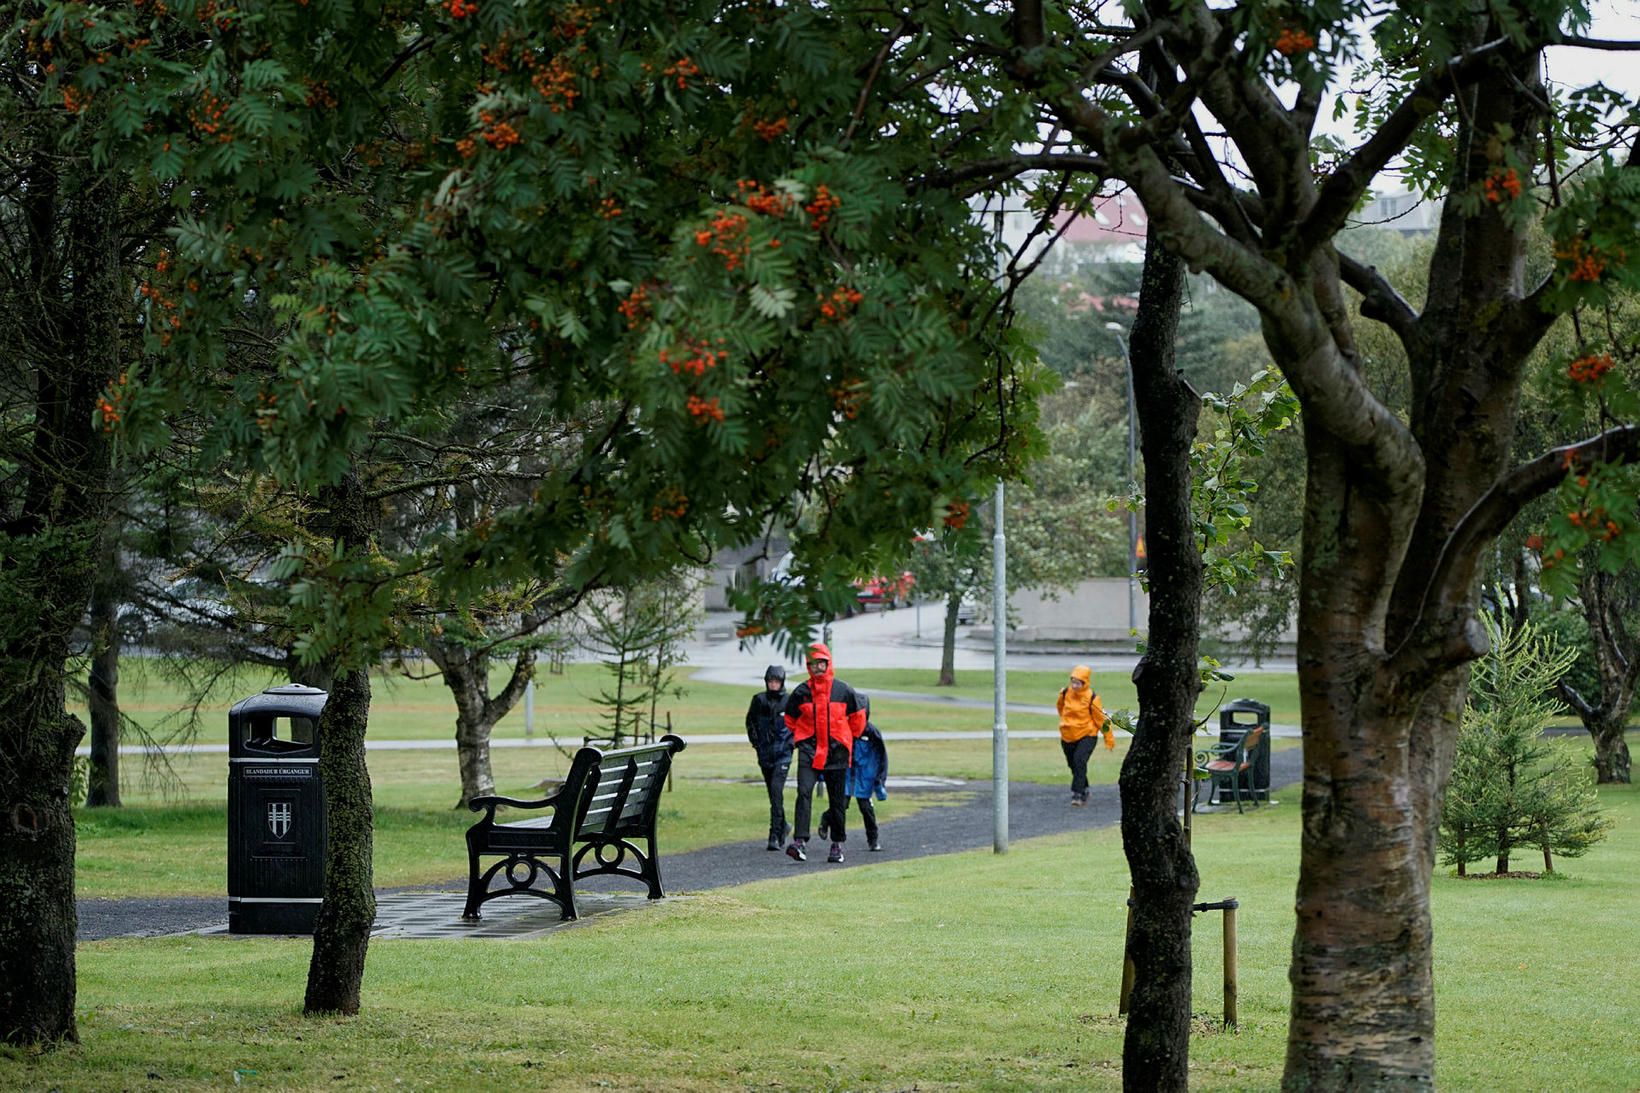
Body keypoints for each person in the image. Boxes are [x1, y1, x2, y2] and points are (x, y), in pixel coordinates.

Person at [782, 641, 866, 863]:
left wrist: (844, 737)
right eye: (813, 664)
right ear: (808, 666)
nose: (817, 667)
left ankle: (837, 844)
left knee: (837, 801)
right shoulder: (801, 692)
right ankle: (799, 842)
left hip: (837, 753)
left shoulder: (844, 690)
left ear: (828, 663)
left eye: (821, 663)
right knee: (804, 792)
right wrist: (804, 736)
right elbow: (790, 719)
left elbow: (858, 719)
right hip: (810, 751)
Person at [745, 665, 793, 850]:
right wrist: (757, 744)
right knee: (773, 796)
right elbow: (751, 723)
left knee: (776, 791)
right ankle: (784, 825)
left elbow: (796, 724)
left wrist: (791, 744)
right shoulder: (759, 700)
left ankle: (774, 834)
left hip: (783, 755)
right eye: (770, 681)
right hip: (765, 754)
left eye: (776, 681)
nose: (773, 685)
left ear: (781, 682)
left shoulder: (789, 701)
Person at [1057, 664, 1112, 806]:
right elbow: (1061, 708)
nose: (1074, 685)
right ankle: (1085, 787)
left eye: (1078, 683)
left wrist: (1108, 737)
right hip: (1068, 735)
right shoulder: (1064, 694)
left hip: (1087, 734)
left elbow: (1101, 719)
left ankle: (1078, 794)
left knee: (1079, 761)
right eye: (1073, 682)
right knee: (1073, 765)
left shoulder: (1092, 698)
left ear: (1085, 682)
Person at [841, 695, 888, 852]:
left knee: (866, 808)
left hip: (865, 778)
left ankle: (873, 840)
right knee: (841, 805)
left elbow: (882, 757)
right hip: (847, 776)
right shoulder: (844, 728)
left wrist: (880, 779)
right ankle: (827, 823)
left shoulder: (871, 732)